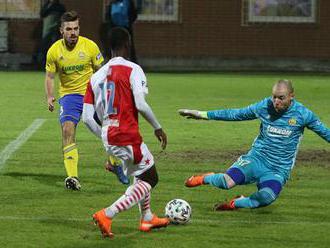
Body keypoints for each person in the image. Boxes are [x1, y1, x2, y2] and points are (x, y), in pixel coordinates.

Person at [179, 80, 330, 210]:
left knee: (266, 198)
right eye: (274, 97)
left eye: (281, 98)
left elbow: (325, 132)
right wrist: (202, 114)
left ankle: (235, 203)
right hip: (256, 159)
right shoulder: (264, 106)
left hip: (278, 168)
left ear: (292, 96)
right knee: (226, 182)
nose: (276, 101)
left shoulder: (303, 114)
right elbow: (235, 114)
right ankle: (205, 178)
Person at [82, 27, 169, 237]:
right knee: (150, 178)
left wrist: (105, 135)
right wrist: (158, 127)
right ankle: (108, 213)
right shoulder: (133, 69)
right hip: (127, 134)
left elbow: (86, 118)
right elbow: (140, 103)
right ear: (127, 44)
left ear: (108, 47)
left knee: (142, 171)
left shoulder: (95, 77)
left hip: (109, 135)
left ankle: (147, 218)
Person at [45, 11, 126, 190]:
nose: (73, 32)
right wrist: (50, 96)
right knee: (67, 130)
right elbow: (50, 77)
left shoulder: (90, 46)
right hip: (69, 96)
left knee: (106, 130)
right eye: (69, 29)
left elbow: (103, 72)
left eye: (76, 28)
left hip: (92, 94)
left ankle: (113, 163)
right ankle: (72, 177)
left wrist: (108, 94)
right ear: (61, 30)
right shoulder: (54, 51)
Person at [38, 0, 66, 67]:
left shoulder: (60, 7)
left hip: (55, 30)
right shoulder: (47, 5)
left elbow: (63, 17)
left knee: (54, 47)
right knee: (45, 47)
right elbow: (42, 14)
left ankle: (55, 64)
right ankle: (44, 64)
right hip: (47, 30)